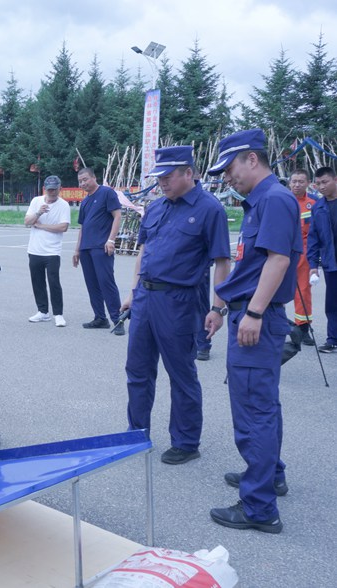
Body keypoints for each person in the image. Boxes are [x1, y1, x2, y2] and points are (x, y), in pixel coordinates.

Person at [205, 128, 301, 534]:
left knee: (253, 410)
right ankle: (270, 474)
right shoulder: (263, 200)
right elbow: (252, 265)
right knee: (264, 404)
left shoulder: (275, 199)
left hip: (258, 317)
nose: (227, 177)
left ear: (251, 158)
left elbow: (279, 261)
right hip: (250, 311)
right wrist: (222, 305)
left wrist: (255, 312)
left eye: (229, 169)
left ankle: (258, 507)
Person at [120, 146, 230, 466]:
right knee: (138, 370)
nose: (162, 183)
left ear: (189, 173)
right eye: (159, 177)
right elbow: (144, 251)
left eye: (168, 176)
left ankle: (185, 440)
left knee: (180, 372)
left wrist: (217, 307)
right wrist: (133, 290)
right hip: (146, 298)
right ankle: (135, 432)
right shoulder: (155, 207)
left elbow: (222, 261)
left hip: (180, 301)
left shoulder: (210, 209)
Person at [72, 167, 124, 334]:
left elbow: (117, 216)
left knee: (106, 282)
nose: (83, 183)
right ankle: (100, 318)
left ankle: (117, 319)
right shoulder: (86, 201)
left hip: (101, 247)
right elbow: (82, 226)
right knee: (92, 284)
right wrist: (77, 250)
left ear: (94, 177)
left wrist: (111, 240)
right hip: (86, 248)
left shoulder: (107, 193)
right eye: (80, 181)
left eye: (85, 179)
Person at [24, 175, 71, 326]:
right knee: (37, 282)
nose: (52, 193)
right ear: (44, 189)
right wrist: (38, 213)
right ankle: (43, 312)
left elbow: (63, 227)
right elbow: (27, 222)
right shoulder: (36, 201)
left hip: (52, 251)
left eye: (54, 190)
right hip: (35, 250)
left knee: (54, 282)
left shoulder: (63, 205)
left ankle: (58, 314)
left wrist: (41, 225)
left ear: (60, 188)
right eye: (49, 190)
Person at [306, 167, 337, 352]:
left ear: (335, 179)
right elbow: (313, 238)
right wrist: (313, 265)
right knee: (332, 303)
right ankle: (332, 339)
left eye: (325, 182)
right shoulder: (318, 207)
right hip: (331, 263)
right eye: (317, 184)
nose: (321, 187)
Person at [289, 169, 317, 346]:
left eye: (301, 181)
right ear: (289, 183)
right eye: (294, 181)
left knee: (303, 292)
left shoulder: (314, 203)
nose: (297, 185)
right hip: (282, 251)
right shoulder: (281, 200)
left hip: (304, 253)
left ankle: (303, 327)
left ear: (308, 183)